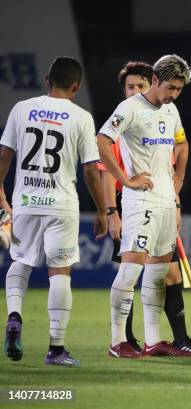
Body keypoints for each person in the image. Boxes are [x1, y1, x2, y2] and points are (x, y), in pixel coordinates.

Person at [1, 56, 107, 366]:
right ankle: (56, 348)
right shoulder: (81, 117)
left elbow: (5, 154)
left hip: (25, 201)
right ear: (77, 86)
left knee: (20, 261)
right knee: (60, 272)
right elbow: (90, 169)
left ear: (47, 79)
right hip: (61, 203)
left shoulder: (21, 108)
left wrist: (0, 193)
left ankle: (14, 315)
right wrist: (102, 208)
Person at [100, 61, 191, 357]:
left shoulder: (171, 110)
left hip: (164, 202)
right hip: (140, 202)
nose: (174, 93)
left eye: (179, 89)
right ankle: (117, 341)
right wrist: (125, 180)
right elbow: (102, 141)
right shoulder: (129, 108)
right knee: (130, 270)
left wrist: (179, 179)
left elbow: (182, 145)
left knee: (158, 273)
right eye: (170, 87)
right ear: (154, 79)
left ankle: (152, 340)